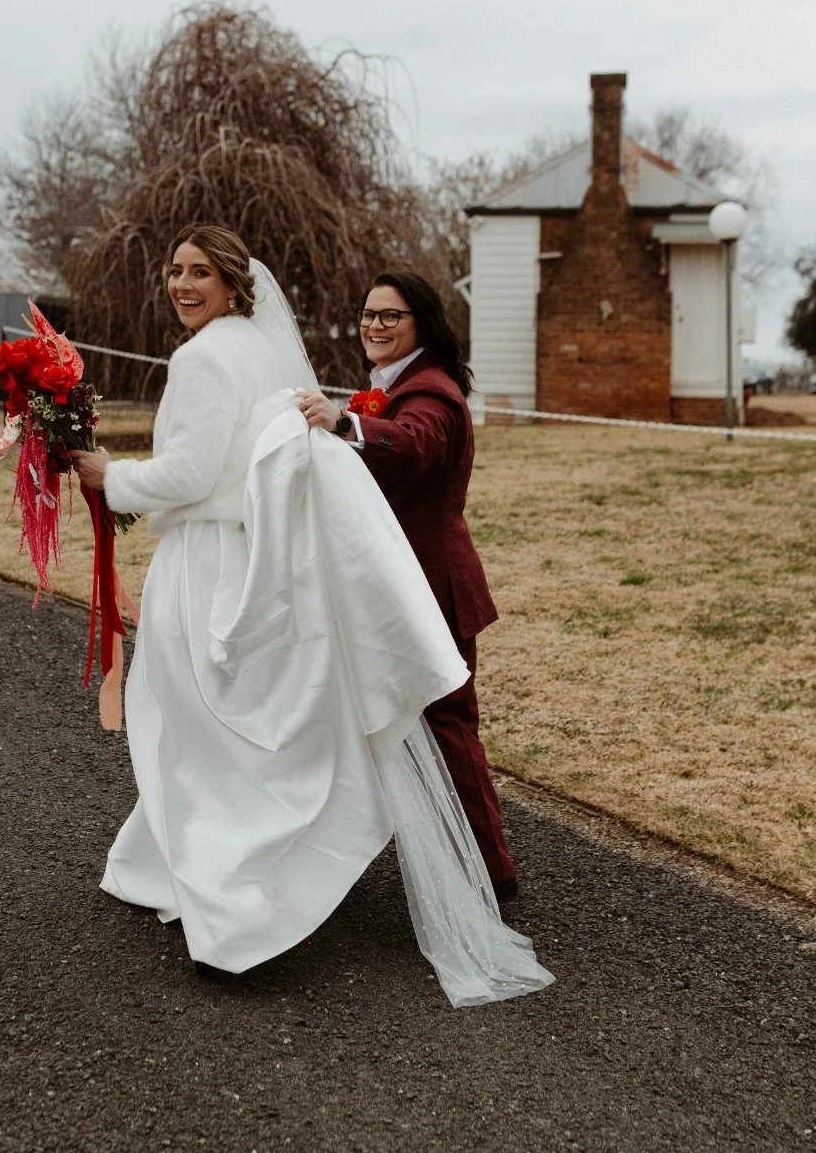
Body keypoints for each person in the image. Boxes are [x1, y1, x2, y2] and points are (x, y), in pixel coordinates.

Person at [71, 226, 551, 1005]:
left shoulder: (208, 359)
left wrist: (109, 475)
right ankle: (165, 861)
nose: (182, 284)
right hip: (270, 559)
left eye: (200, 272)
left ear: (234, 285)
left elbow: (192, 472)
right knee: (238, 724)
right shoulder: (269, 353)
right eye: (175, 270)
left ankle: (247, 901)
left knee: (196, 725)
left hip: (221, 563)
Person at [296, 272, 518, 899]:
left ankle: (492, 872)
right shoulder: (394, 385)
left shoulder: (431, 392)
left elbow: (417, 445)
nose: (374, 325)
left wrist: (347, 424)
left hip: (434, 584)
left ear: (422, 322)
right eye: (368, 314)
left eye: (390, 316)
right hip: (404, 582)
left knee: (448, 724)